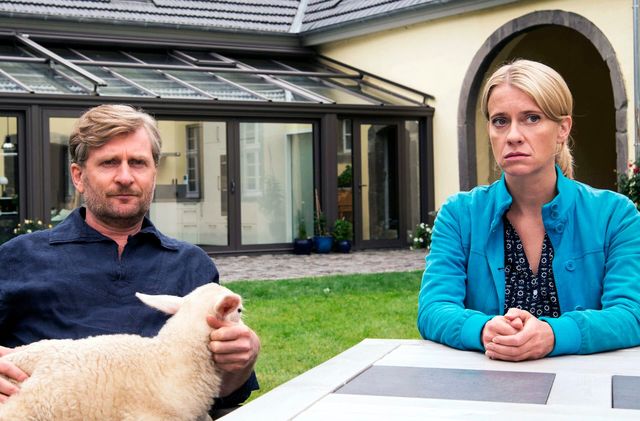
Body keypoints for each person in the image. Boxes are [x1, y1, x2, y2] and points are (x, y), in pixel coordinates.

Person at [0, 104, 260, 413]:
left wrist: (242, 360)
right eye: (109, 162)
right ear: (78, 176)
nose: (125, 177)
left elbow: (223, 396)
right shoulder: (18, 258)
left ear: (153, 173)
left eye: (138, 162)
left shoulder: (191, 266)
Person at [418, 59, 640, 361]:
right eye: (500, 121)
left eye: (532, 118)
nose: (513, 136)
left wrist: (553, 335)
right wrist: (482, 329)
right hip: (484, 382)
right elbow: (433, 308)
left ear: (563, 128)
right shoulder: (459, 215)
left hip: (583, 385)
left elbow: (631, 313)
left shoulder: (615, 215)